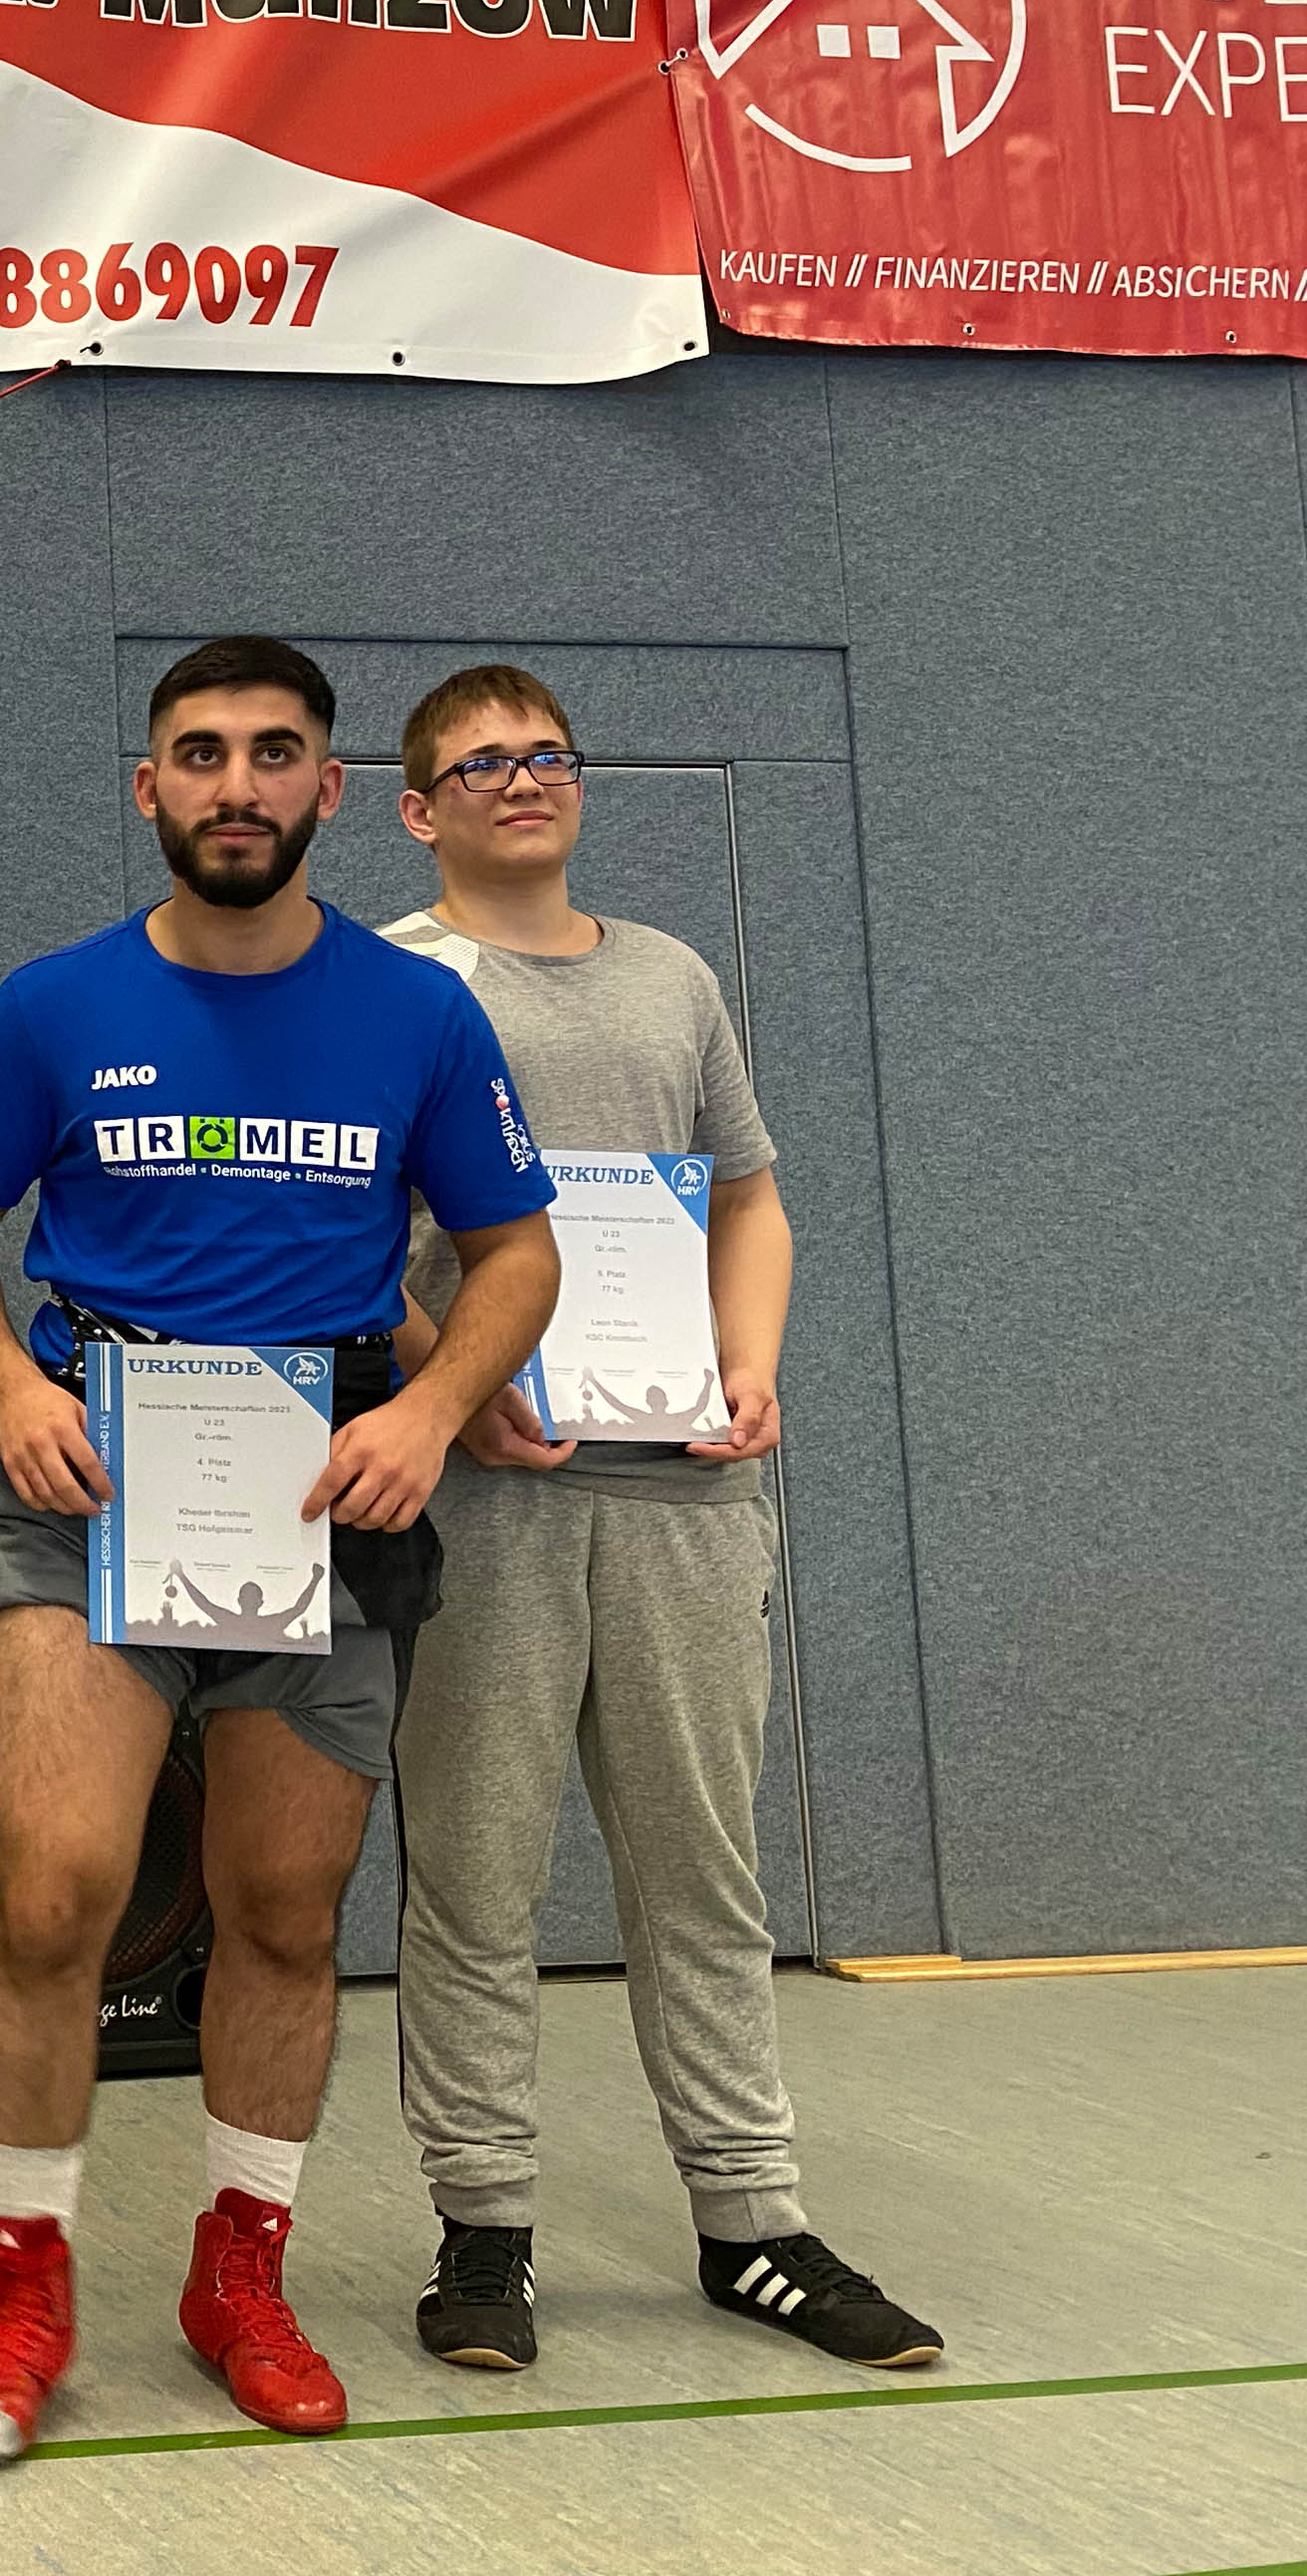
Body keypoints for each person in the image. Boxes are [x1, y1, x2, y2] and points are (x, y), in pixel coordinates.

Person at [0, 637, 562, 2463]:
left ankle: (238, 2278)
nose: (238, 785)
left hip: (322, 1503)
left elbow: (515, 1254)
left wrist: (431, 1411)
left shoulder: (420, 1016)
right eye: (201, 754)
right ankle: (23, 2291)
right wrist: (4, 1384)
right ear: (151, 789)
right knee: (50, 1890)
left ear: (330, 790)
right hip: (92, 1489)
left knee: (279, 1911)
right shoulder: (55, 1004)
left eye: (276, 754)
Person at [380, 664, 940, 2375]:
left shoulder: (674, 978)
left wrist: (750, 1363)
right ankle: (484, 2230)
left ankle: (751, 2224)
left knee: (702, 1870)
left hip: (689, 1492)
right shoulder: (391, 984)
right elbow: (344, 1236)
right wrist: (452, 1383)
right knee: (474, 1872)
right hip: (490, 1499)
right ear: (417, 809)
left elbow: (751, 1199)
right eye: (482, 763)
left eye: (546, 754)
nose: (522, 779)